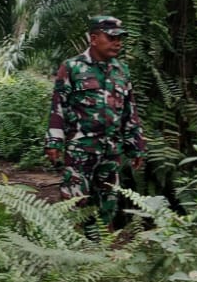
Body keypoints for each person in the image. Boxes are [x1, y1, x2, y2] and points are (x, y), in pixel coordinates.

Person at [44, 15, 146, 231]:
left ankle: (99, 247)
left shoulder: (121, 70)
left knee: (107, 205)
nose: (117, 43)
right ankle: (71, 246)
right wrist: (54, 141)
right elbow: (58, 105)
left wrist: (136, 145)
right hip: (80, 150)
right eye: (111, 38)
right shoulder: (72, 67)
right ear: (94, 38)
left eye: (119, 39)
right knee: (74, 204)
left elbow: (129, 110)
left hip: (111, 152)